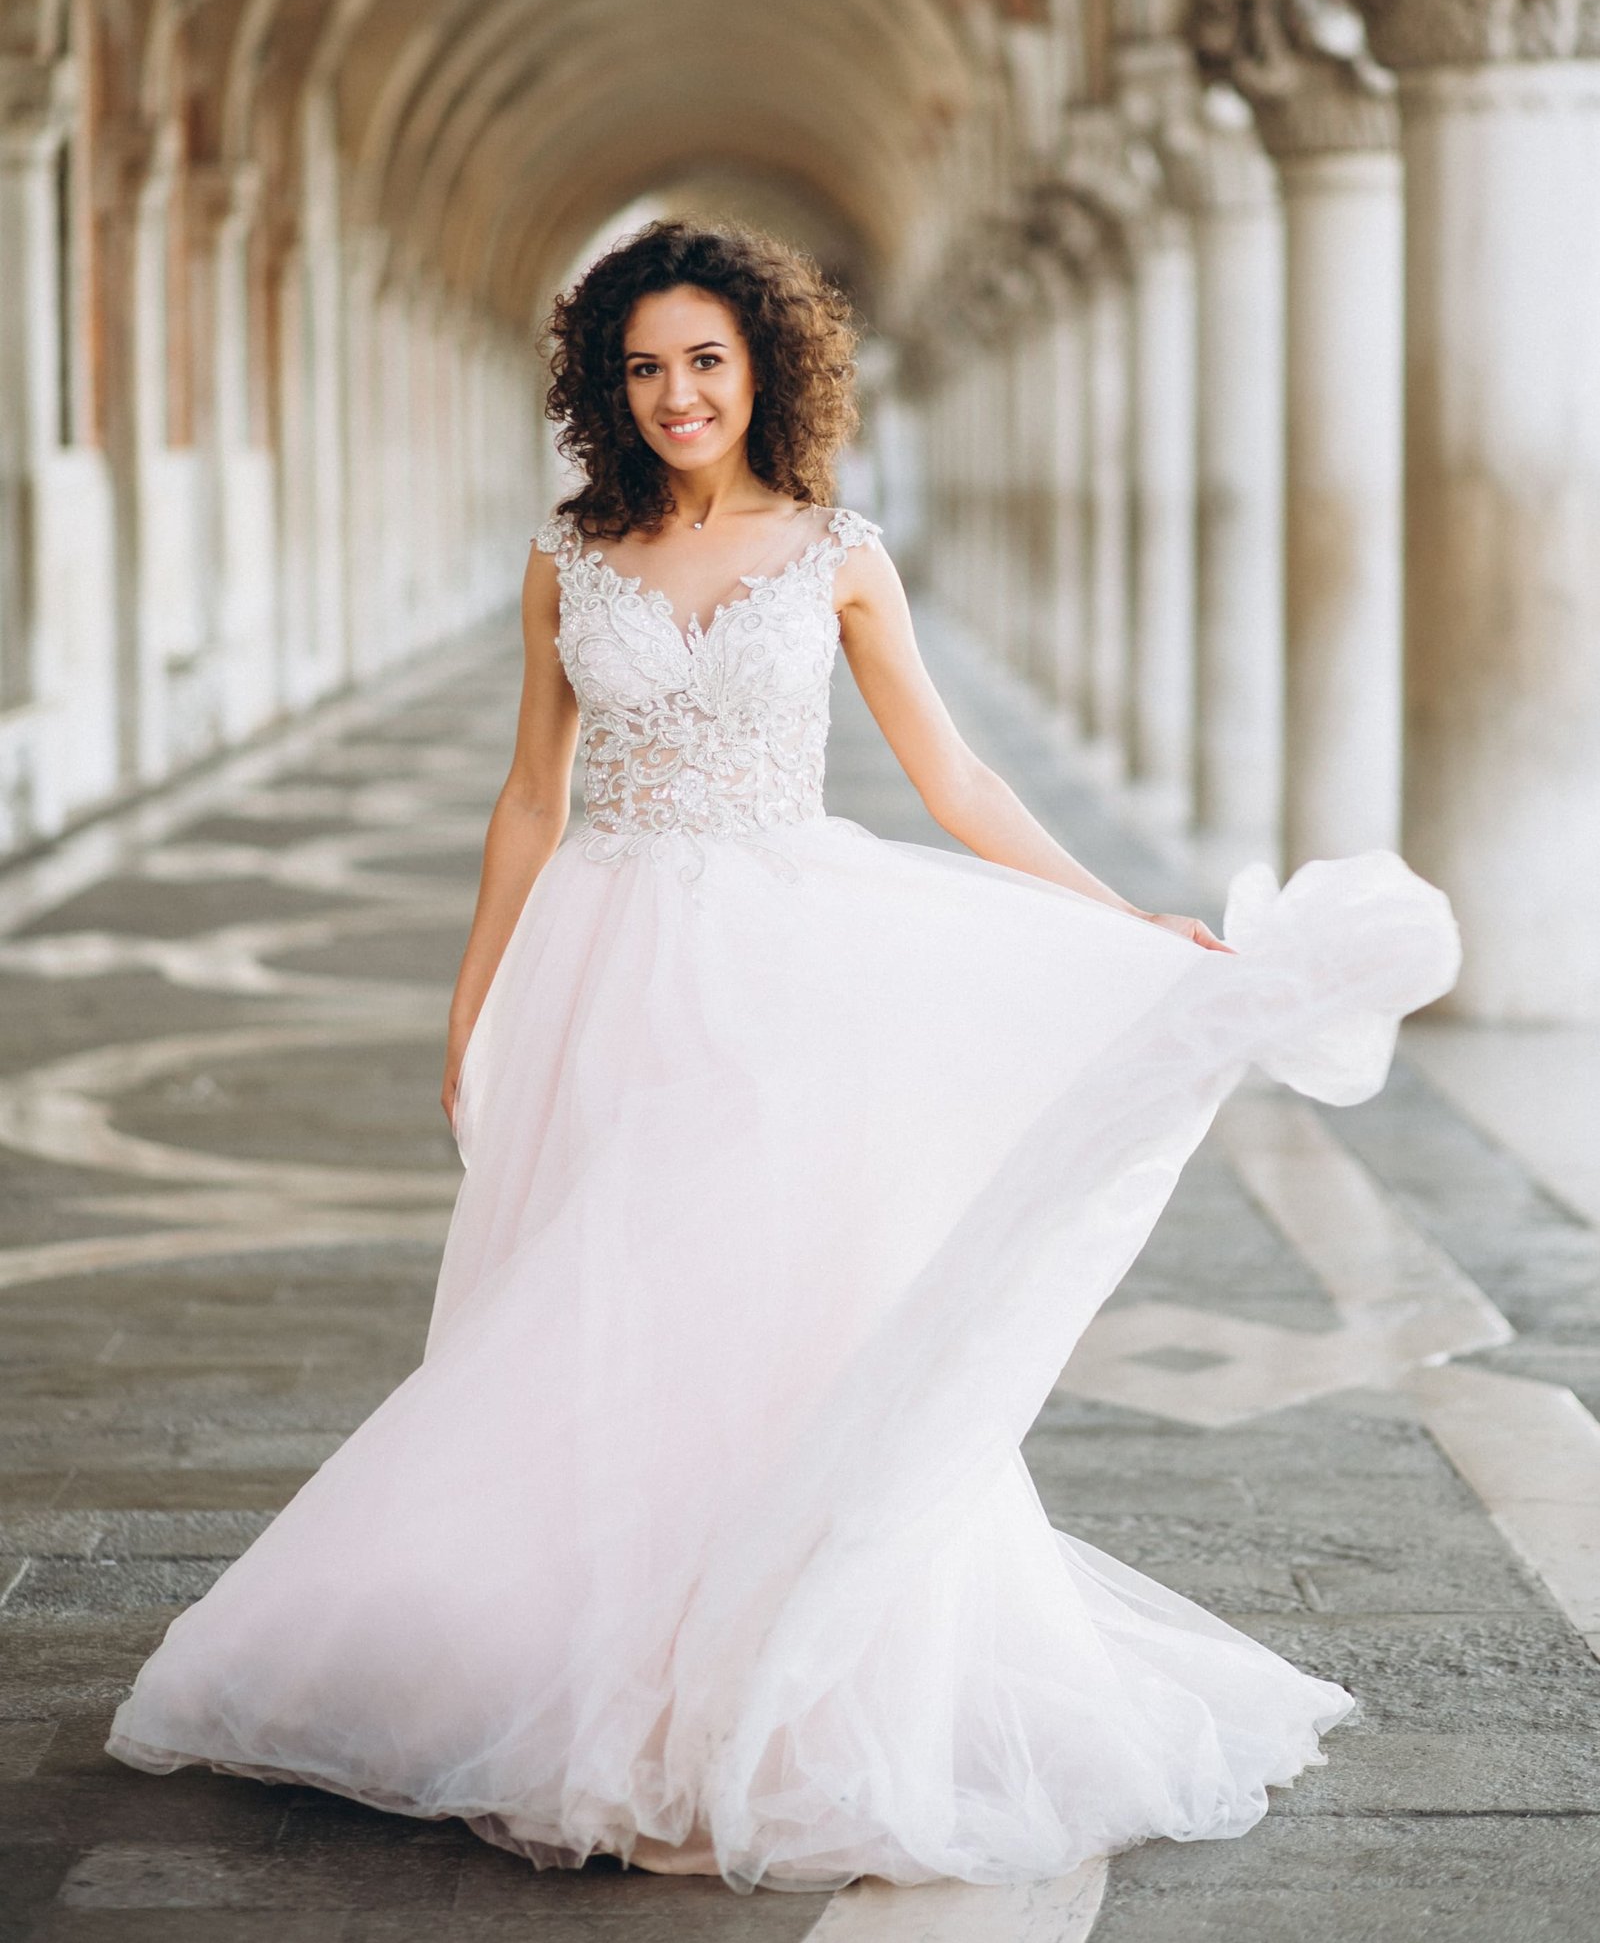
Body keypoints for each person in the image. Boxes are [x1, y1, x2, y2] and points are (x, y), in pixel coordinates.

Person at [107, 220, 1459, 1891]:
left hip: (797, 966)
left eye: (706, 361)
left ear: (764, 369)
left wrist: (1129, 926)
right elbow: (533, 800)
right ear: (611, 388)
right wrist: (473, 1002)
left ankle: (770, 1671)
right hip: (611, 965)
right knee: (604, 1306)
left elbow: (956, 784)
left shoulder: (838, 553)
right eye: (646, 367)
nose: (678, 393)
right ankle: (592, 1656)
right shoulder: (569, 559)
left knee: (776, 1306)